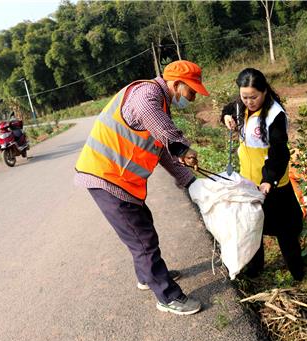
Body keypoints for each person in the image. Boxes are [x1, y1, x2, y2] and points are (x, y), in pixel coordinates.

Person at [74, 60, 209, 316]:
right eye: (191, 92)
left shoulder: (160, 105)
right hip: (107, 177)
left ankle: (147, 276)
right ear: (177, 84)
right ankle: (167, 296)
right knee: (143, 240)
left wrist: (188, 179)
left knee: (142, 227)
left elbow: (162, 152)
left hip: (119, 179)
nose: (191, 98)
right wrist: (180, 144)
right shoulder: (147, 94)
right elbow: (154, 120)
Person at [221, 68, 304, 281]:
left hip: (272, 184)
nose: (249, 101)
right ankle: (255, 268)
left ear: (264, 91)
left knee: (285, 231)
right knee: (252, 226)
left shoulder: (274, 115)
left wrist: (269, 180)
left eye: (254, 97)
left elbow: (279, 152)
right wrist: (227, 117)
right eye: (244, 96)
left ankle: (298, 273)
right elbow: (227, 109)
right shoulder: (240, 106)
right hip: (248, 181)